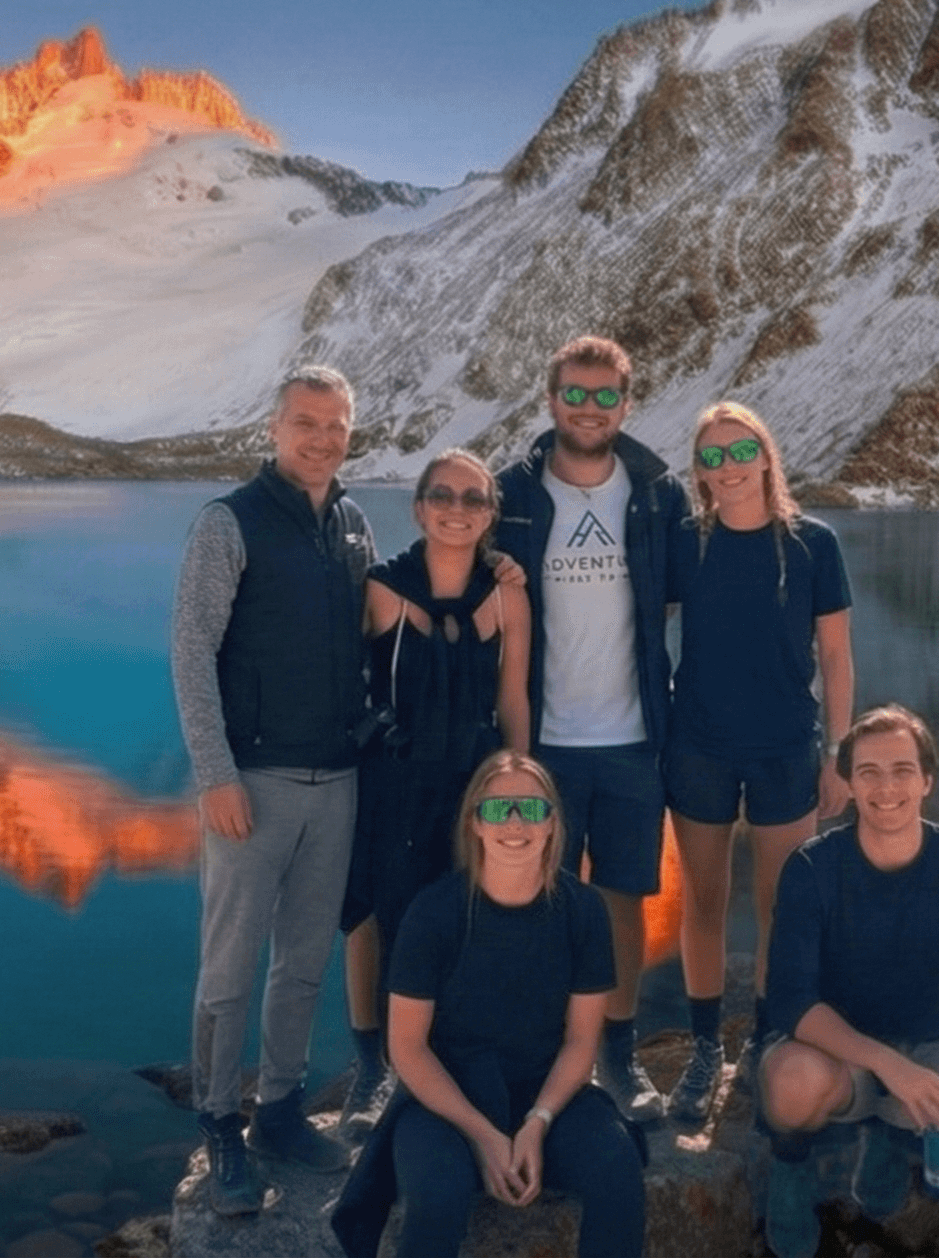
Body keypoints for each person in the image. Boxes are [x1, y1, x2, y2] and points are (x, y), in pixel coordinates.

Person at [172, 366, 376, 1213]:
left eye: (336, 425)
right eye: (305, 423)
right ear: (274, 428)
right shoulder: (229, 523)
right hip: (252, 782)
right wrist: (215, 775)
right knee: (229, 965)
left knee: (303, 960)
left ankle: (282, 1110)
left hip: (337, 779)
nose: (322, 438)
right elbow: (191, 651)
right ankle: (219, 1120)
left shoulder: (354, 524)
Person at [752, 705, 939, 1258]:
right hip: (838, 1052)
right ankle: (791, 1167)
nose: (886, 787)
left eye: (902, 770)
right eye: (869, 771)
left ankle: (889, 1133)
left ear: (927, 780)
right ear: (849, 781)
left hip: (933, 1043)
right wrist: (890, 1068)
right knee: (791, 1089)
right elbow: (792, 1001)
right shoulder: (812, 868)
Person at [329, 752, 646, 1258]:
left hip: (547, 1093)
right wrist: (482, 1134)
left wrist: (538, 1122)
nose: (515, 824)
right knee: (437, 1196)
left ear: (552, 824)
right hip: (444, 1102)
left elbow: (583, 1039)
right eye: (499, 810)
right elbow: (407, 1049)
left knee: (617, 1166)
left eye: (531, 809)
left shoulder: (583, 912)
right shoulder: (433, 913)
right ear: (475, 822)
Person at [491, 335, 689, 1125]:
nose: (589, 407)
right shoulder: (511, 494)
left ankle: (618, 1048)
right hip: (543, 746)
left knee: (623, 900)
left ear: (627, 405)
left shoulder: (655, 494)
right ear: (551, 399)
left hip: (635, 738)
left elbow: (692, 590)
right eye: (576, 392)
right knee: (535, 900)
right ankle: (537, 1050)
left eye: (606, 395)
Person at [662, 400, 854, 1126]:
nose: (727, 467)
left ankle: (768, 1041)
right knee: (704, 904)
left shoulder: (814, 544)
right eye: (710, 457)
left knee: (781, 907)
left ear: (767, 455)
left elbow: (835, 658)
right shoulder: (686, 541)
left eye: (739, 451)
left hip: (784, 749)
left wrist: (838, 754)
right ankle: (706, 1049)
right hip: (699, 747)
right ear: (698, 472)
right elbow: (642, 625)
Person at [338, 449, 531, 1134]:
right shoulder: (380, 586)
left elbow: (513, 700)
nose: (457, 510)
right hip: (393, 776)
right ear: (418, 508)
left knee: (470, 917)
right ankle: (374, 1065)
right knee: (373, 911)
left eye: (473, 499)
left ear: (490, 514)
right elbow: (339, 684)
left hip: (475, 779)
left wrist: (520, 793)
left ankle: (455, 1057)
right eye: (442, 496)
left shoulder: (508, 592)